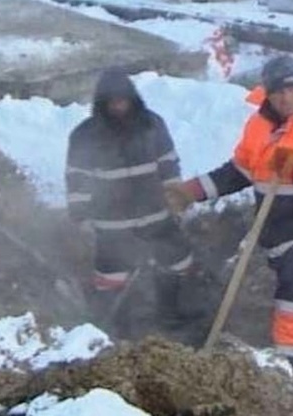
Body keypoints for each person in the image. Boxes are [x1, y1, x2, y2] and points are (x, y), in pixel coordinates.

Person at [164, 55, 293, 379]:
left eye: (292, 90)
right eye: (278, 93)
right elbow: (239, 171)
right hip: (277, 229)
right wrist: (192, 191)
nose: (286, 98)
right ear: (267, 93)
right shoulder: (259, 125)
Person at [65, 67, 205, 336]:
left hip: (156, 215)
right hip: (112, 223)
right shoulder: (85, 135)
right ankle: (113, 328)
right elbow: (77, 178)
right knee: (111, 276)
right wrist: (79, 215)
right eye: (112, 101)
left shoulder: (152, 125)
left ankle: (171, 315)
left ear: (133, 98)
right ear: (102, 102)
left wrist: (176, 197)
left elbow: (168, 165)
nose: (118, 106)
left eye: (123, 99)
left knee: (177, 261)